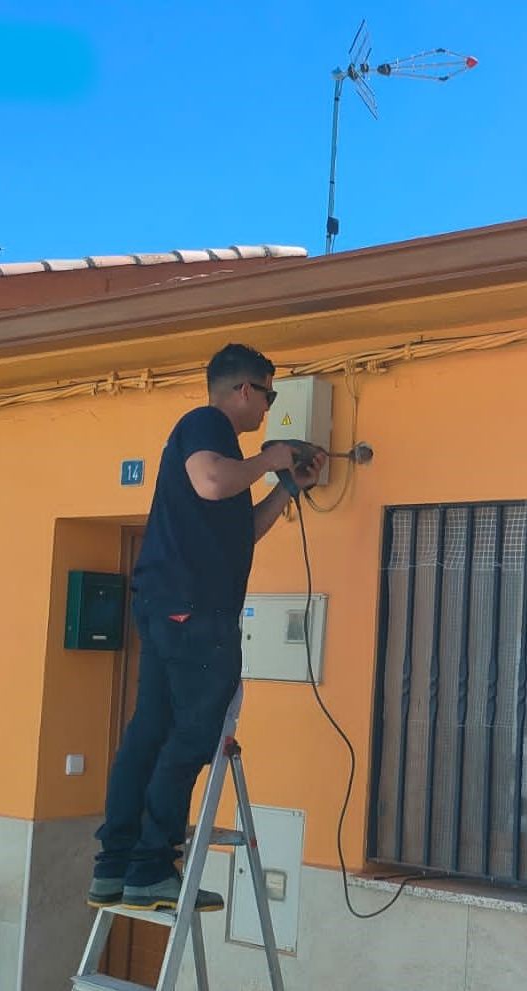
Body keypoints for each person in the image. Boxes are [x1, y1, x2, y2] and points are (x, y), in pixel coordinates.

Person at [89, 343, 325, 912]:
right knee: (192, 736)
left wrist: (287, 488)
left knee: (151, 730)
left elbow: (242, 526)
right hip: (194, 611)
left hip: (176, 606)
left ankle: (115, 866)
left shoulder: (225, 452)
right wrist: (270, 461)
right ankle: (150, 867)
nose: (268, 407)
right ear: (243, 389)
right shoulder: (205, 425)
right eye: (267, 394)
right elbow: (213, 483)